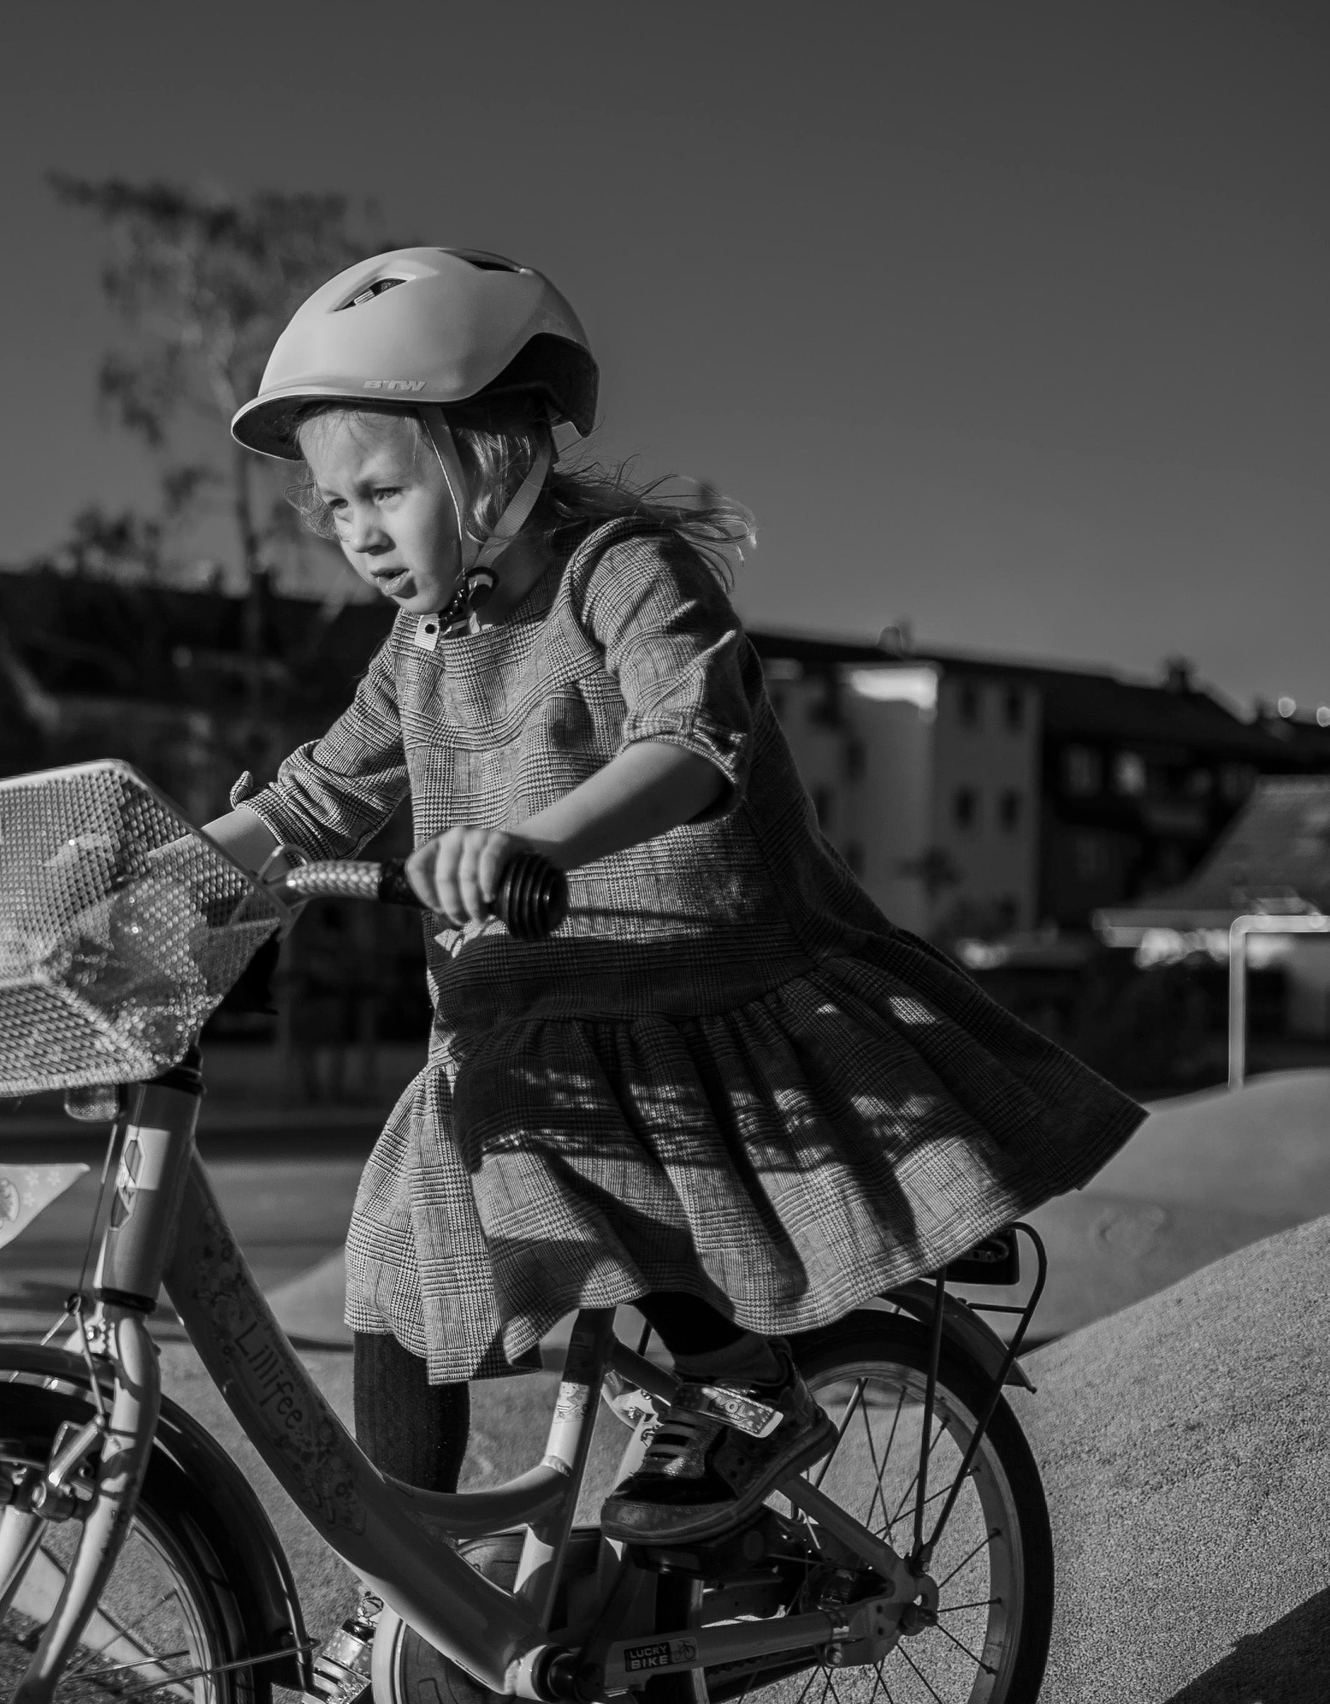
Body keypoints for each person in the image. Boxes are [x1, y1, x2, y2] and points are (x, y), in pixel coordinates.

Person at [199, 247, 1142, 1546]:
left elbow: (692, 742)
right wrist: (165, 869)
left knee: (545, 1161)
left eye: (380, 490)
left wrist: (534, 838)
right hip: (514, 1017)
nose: (354, 528)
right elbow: (313, 798)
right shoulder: (421, 648)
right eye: (333, 505)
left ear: (488, 461)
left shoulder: (620, 571)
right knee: (401, 1275)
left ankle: (749, 1399)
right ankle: (411, 1585)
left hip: (689, 987)